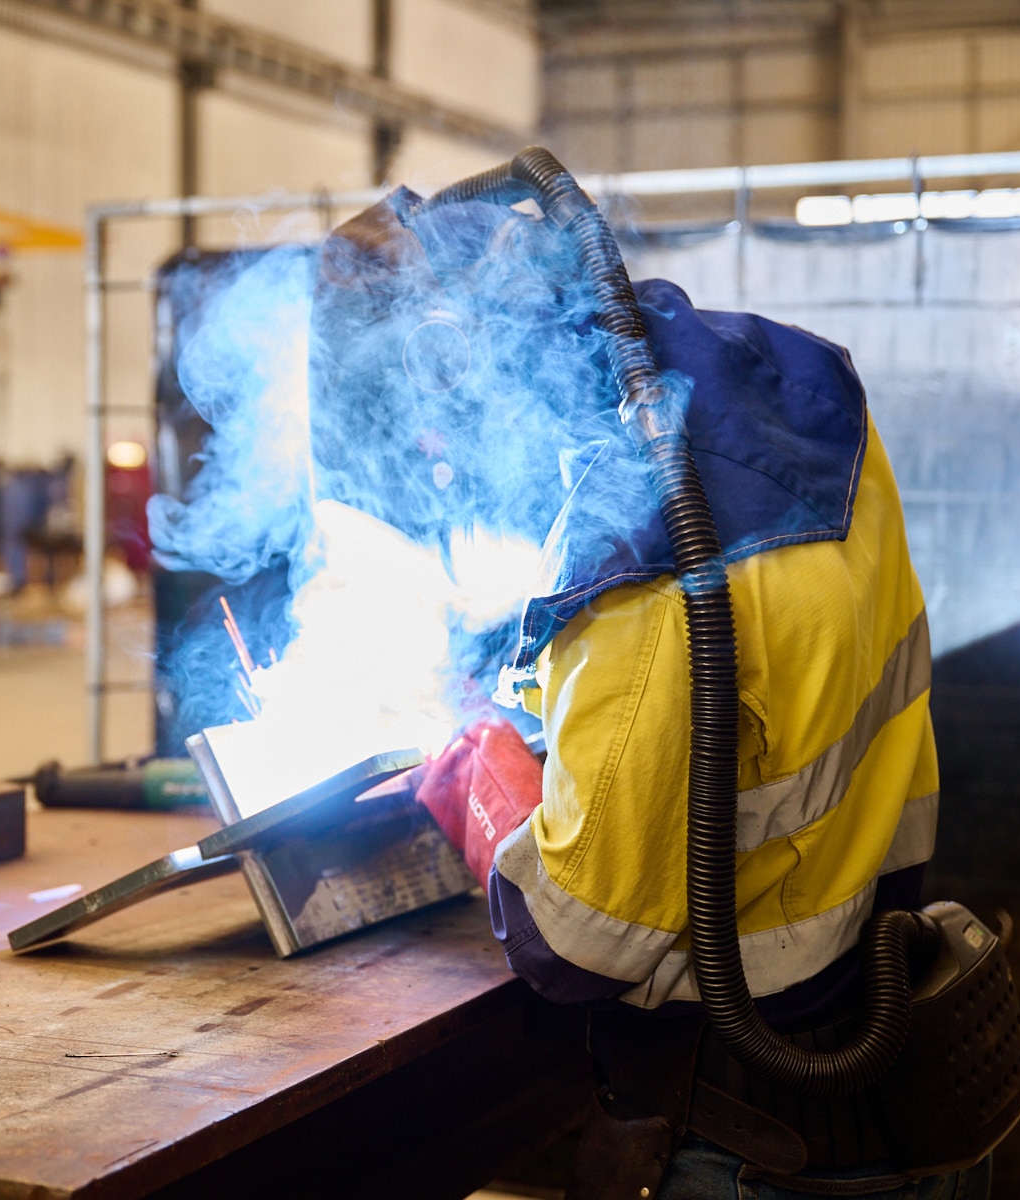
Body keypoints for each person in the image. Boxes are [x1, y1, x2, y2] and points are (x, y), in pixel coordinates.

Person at [407, 285, 983, 1199]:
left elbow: (574, 947)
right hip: (903, 1066)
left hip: (756, 1142)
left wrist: (486, 783)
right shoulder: (816, 418)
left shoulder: (643, 592)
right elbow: (773, 710)